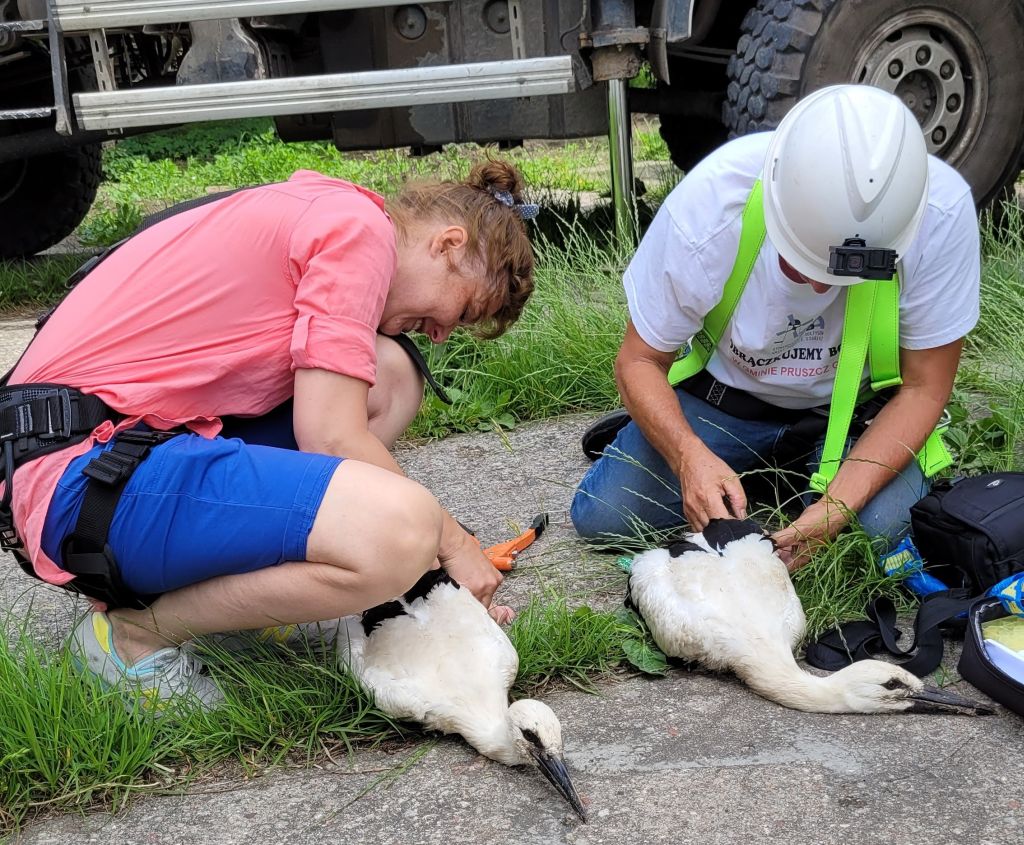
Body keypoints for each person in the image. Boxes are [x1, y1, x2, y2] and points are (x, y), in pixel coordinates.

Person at [1, 159, 536, 709]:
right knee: (400, 533)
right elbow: (330, 438)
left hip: (85, 456)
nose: (443, 335)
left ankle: (244, 603)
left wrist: (434, 576)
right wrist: (450, 548)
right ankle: (133, 638)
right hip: (79, 482)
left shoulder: (335, 210)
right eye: (464, 309)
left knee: (390, 375)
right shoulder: (358, 234)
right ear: (449, 245)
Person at [571, 84, 981, 568]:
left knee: (881, 536)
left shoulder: (940, 211)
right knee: (605, 517)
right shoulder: (714, 200)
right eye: (797, 261)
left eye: (843, 276)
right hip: (727, 402)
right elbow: (639, 360)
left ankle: (781, 480)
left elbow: (923, 389)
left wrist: (831, 513)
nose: (818, 287)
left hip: (856, 417)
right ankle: (742, 465)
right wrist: (687, 457)